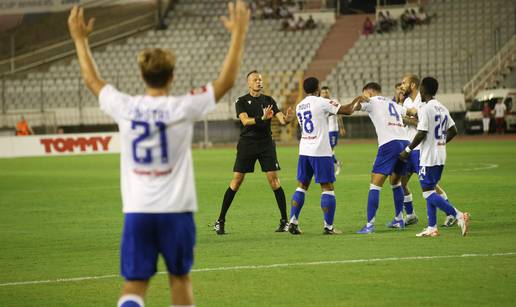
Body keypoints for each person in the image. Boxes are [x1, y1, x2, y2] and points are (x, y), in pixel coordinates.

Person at [68, 2, 250, 306]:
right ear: (172, 76)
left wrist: (79, 39)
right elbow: (226, 82)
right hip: (176, 211)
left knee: (135, 283)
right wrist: (239, 34)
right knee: (180, 279)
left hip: (138, 211)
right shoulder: (181, 107)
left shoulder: (125, 106)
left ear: (141, 74)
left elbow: (92, 81)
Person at [213, 70, 294, 235]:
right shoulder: (241, 101)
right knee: (236, 181)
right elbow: (244, 121)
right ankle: (220, 221)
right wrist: (261, 118)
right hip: (247, 144)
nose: (258, 82)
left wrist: (287, 118)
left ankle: (285, 221)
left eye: (260, 79)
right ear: (248, 83)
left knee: (274, 182)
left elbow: (282, 120)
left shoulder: (269, 100)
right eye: (255, 80)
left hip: (266, 144)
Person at [288, 77, 364, 235]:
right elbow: (348, 110)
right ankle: (328, 227)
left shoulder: (300, 105)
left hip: (304, 151)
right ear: (317, 88)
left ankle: (293, 222)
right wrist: (359, 97)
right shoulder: (321, 101)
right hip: (320, 152)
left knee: (302, 186)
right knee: (327, 188)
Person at [399, 77, 470, 237]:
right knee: (430, 189)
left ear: (423, 90)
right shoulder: (441, 107)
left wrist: (408, 150)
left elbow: (421, 133)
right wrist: (440, 143)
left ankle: (459, 215)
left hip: (428, 156)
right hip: (440, 155)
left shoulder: (426, 108)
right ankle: (432, 227)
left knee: (427, 193)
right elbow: (453, 130)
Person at [349, 82, 412, 234]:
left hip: (388, 144)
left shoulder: (372, 101)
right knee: (395, 182)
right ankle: (399, 219)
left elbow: (355, 108)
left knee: (375, 184)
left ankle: (370, 225)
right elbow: (410, 112)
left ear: (369, 92)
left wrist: (359, 101)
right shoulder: (392, 103)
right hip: (404, 143)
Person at [320, 86, 345, 175]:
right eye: (323, 93)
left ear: (329, 93)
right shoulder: (319, 103)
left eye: (326, 92)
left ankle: (333, 165)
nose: (325, 94)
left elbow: (339, 115)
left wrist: (342, 127)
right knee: (326, 150)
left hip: (333, 129)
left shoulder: (334, 102)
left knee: (329, 149)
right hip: (323, 130)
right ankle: (336, 163)